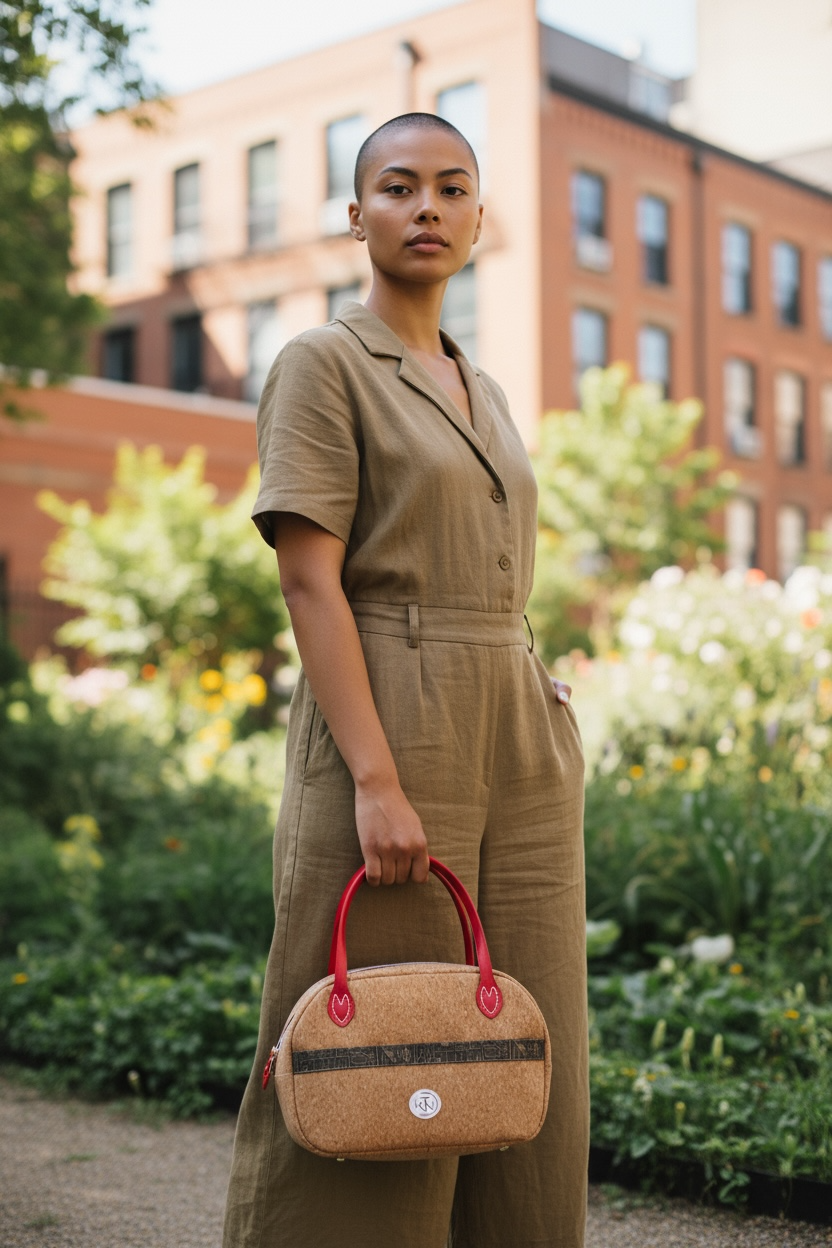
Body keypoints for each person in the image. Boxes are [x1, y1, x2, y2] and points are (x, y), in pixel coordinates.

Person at [222, 112, 588, 1248]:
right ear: (356, 215)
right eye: (397, 187)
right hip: (396, 717)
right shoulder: (322, 364)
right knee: (379, 1031)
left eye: (450, 187)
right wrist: (375, 783)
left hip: (516, 738)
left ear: (480, 218)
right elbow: (309, 584)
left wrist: (538, 682)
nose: (424, 207)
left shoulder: (486, 388)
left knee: (528, 1041)